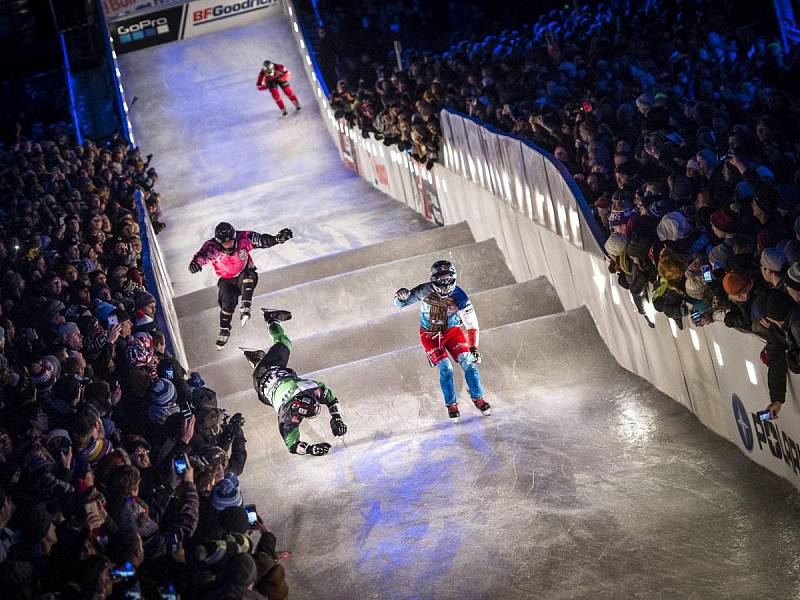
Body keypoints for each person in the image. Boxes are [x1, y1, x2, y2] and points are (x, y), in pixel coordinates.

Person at [394, 260, 491, 422]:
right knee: (446, 369)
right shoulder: (424, 290)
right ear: (434, 280)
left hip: (452, 332)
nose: (445, 284)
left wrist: (474, 348)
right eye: (442, 279)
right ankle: (451, 404)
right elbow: (400, 304)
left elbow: (471, 322)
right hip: (430, 336)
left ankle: (478, 397)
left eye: (448, 279)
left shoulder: (460, 295)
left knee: (469, 362)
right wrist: (399, 297)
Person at [241, 309, 347, 456]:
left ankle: (270, 324)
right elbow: (292, 446)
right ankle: (262, 344)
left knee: (284, 342)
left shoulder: (296, 404)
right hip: (264, 391)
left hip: (271, 370)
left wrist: (312, 448)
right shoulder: (288, 413)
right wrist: (336, 418)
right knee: (284, 353)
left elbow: (292, 445)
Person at [188, 222, 293, 349]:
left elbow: (262, 240)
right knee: (227, 302)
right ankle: (224, 329)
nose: (229, 245)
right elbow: (203, 256)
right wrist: (195, 263)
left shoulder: (243, 238)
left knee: (248, 276)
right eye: (225, 244)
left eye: (231, 241)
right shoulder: (212, 247)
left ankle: (246, 304)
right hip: (227, 280)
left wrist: (277, 239)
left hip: (245, 274)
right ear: (219, 242)